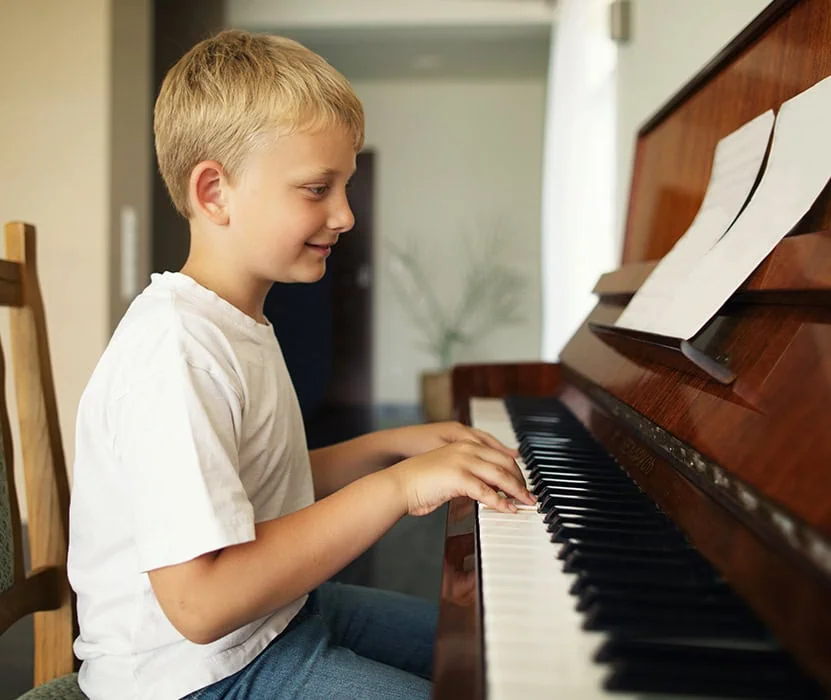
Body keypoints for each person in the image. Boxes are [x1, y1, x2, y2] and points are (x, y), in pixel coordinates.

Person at [67, 29, 535, 700]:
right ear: (214, 193)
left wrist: (393, 447)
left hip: (278, 620)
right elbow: (199, 607)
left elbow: (257, 485)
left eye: (343, 185)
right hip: (194, 677)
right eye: (317, 188)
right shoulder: (175, 351)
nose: (344, 214)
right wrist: (398, 489)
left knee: (493, 651)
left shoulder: (236, 320)